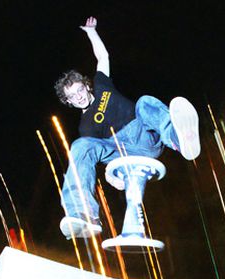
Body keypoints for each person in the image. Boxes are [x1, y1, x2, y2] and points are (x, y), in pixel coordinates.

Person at [55, 17, 201, 239]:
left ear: (86, 85)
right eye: (73, 97)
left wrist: (91, 32)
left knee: (144, 102)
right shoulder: (86, 128)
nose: (79, 97)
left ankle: (179, 137)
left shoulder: (102, 83)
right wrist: (112, 175)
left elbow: (103, 56)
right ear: (69, 102)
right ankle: (83, 213)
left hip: (142, 134)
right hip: (120, 148)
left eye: (79, 90)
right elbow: (99, 154)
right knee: (80, 146)